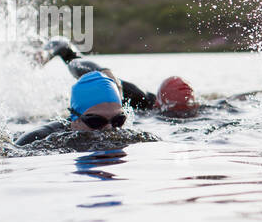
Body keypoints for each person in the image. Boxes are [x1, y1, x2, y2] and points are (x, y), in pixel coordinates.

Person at [40, 38, 199, 116]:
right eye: (171, 113)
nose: (178, 116)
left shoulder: (197, 111)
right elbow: (78, 61)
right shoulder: (134, 97)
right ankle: (44, 51)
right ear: (157, 104)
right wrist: (106, 72)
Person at [16, 71, 128, 146]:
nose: (109, 128)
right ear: (75, 120)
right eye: (96, 121)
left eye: (118, 120)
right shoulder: (36, 139)